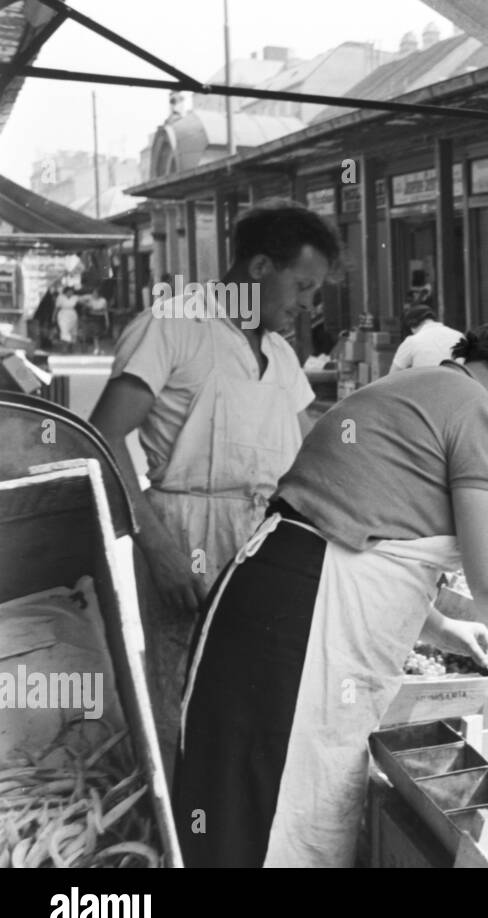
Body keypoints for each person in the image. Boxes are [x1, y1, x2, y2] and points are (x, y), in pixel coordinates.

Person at [172, 325, 488, 867]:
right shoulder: (484, 411)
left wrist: (444, 628)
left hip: (269, 596)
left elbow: (364, 533)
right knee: (277, 814)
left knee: (229, 800)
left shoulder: (412, 388)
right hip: (302, 629)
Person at [89, 200, 339, 781]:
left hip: (263, 540)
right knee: (181, 696)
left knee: (251, 697)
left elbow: (311, 456)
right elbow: (102, 436)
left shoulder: (278, 353)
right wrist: (157, 548)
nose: (307, 305)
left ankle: (232, 828)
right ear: (257, 267)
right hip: (184, 535)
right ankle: (178, 830)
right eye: (301, 286)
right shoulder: (173, 326)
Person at [390, 303, 464, 371]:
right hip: (459, 383)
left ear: (412, 326)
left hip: (425, 384)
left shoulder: (412, 341)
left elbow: (392, 377)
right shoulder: (459, 336)